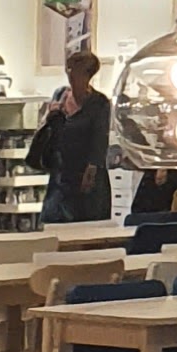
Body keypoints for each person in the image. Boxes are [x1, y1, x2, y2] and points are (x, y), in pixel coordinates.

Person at [29, 48, 114, 225]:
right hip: (60, 175)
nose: (70, 73)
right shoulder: (60, 94)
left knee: (86, 226)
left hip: (85, 175)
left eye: (75, 69)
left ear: (88, 74)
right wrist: (50, 115)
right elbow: (47, 127)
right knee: (53, 222)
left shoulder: (99, 103)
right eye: (68, 68)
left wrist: (90, 173)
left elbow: (99, 141)